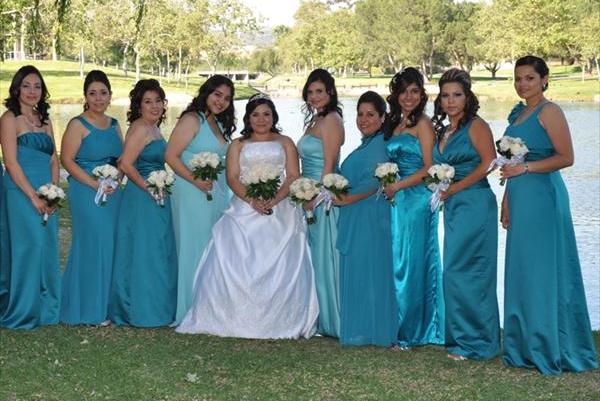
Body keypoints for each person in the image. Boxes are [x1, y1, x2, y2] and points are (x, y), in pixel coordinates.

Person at [176, 94, 318, 339]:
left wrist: (275, 199)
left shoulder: (285, 142)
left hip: (280, 206)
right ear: (248, 118)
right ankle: (226, 317)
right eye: (255, 115)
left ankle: (282, 320)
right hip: (244, 206)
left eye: (266, 114)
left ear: (274, 117)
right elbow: (232, 178)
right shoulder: (238, 145)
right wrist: (252, 200)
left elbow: (293, 175)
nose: (261, 119)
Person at [500, 55, 598, 374]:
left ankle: (549, 345)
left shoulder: (550, 111)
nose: (522, 84)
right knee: (523, 270)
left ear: (544, 79)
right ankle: (522, 346)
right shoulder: (517, 113)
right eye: (518, 78)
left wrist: (526, 167)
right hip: (520, 196)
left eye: (529, 78)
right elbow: (509, 166)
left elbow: (566, 157)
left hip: (543, 197)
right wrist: (506, 200)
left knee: (544, 270)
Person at [432, 68, 500, 361]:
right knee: (454, 271)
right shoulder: (445, 131)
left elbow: (489, 163)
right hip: (454, 205)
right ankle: (460, 337)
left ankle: (477, 342)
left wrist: (455, 187)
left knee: (470, 271)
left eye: (457, 95)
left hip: (475, 202)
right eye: (445, 95)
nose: (450, 101)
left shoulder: (477, 126)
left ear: (467, 96)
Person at [165, 75, 235, 325]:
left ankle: (208, 306)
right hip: (190, 192)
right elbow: (171, 156)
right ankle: (189, 309)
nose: (221, 101)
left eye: (227, 98)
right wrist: (195, 179)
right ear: (206, 92)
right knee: (193, 247)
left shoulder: (217, 123)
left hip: (214, 193)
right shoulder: (191, 119)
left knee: (210, 246)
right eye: (217, 94)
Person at [383, 68, 444, 349]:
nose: (408, 97)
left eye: (414, 91)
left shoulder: (422, 123)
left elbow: (430, 167)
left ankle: (413, 331)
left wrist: (398, 186)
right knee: (397, 261)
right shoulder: (393, 122)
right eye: (404, 91)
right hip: (396, 197)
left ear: (422, 95)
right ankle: (395, 323)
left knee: (411, 263)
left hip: (416, 198)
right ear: (396, 94)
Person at [108, 79, 177, 327]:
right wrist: (148, 187)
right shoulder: (140, 128)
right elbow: (125, 163)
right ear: (138, 105)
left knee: (157, 249)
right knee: (145, 251)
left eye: (158, 101)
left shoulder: (155, 128)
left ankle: (158, 306)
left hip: (157, 192)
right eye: (148, 102)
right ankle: (140, 310)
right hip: (143, 196)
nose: (155, 106)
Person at [334, 91, 398, 347]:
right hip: (358, 212)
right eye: (360, 114)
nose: (363, 119)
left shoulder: (380, 144)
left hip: (369, 213)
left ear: (383, 117)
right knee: (362, 269)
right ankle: (363, 326)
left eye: (370, 114)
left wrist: (346, 199)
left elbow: (375, 180)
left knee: (371, 270)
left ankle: (375, 329)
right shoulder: (366, 143)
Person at [60, 70, 123, 325]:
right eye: (92, 93)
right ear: (85, 96)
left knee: (109, 245)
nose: (98, 98)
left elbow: (122, 159)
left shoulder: (115, 124)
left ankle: (105, 304)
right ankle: (88, 308)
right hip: (87, 191)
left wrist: (116, 180)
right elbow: (67, 159)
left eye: (103, 93)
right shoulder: (77, 124)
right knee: (92, 244)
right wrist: (94, 183)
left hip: (113, 192)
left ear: (110, 96)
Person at [0, 65, 61, 329]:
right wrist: (33, 198)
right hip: (20, 191)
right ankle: (23, 311)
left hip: (46, 192)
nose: (32, 91)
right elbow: (11, 163)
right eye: (27, 85)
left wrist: (53, 194)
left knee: (47, 248)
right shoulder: (9, 119)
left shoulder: (45, 120)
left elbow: (54, 160)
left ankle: (46, 310)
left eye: (37, 86)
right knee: (28, 248)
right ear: (16, 88)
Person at [296, 68, 344, 337]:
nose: (314, 96)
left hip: (322, 198)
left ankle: (333, 319)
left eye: (319, 92)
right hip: (307, 194)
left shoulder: (332, 120)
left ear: (330, 93)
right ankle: (317, 314)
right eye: (311, 92)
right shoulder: (315, 120)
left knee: (326, 256)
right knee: (313, 257)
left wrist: (314, 197)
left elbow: (329, 166)